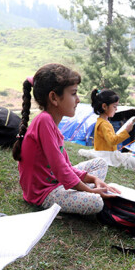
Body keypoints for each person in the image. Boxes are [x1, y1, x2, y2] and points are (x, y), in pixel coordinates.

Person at [12, 64, 119, 216]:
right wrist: (90, 190)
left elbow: (66, 167)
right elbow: (61, 170)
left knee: (99, 164)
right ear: (54, 98)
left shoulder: (51, 124)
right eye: (73, 94)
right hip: (44, 194)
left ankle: (85, 189)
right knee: (96, 202)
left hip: (58, 182)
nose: (78, 100)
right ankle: (87, 192)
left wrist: (94, 179)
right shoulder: (44, 122)